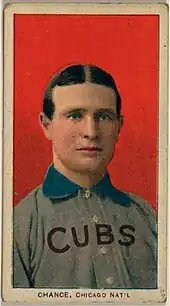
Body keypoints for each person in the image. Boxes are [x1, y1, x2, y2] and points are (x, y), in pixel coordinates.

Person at [13, 64, 157, 289]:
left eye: (104, 116)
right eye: (75, 115)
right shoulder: (20, 225)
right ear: (46, 125)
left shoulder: (147, 215)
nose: (91, 131)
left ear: (119, 126)